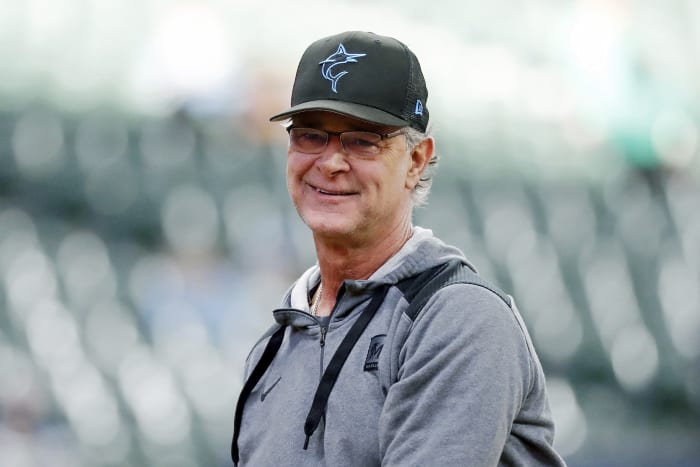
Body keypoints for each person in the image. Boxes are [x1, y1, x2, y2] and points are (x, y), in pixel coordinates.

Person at [230, 30, 567, 467]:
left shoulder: (457, 319)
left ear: (416, 160)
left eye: (363, 140)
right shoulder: (274, 345)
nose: (330, 162)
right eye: (311, 135)